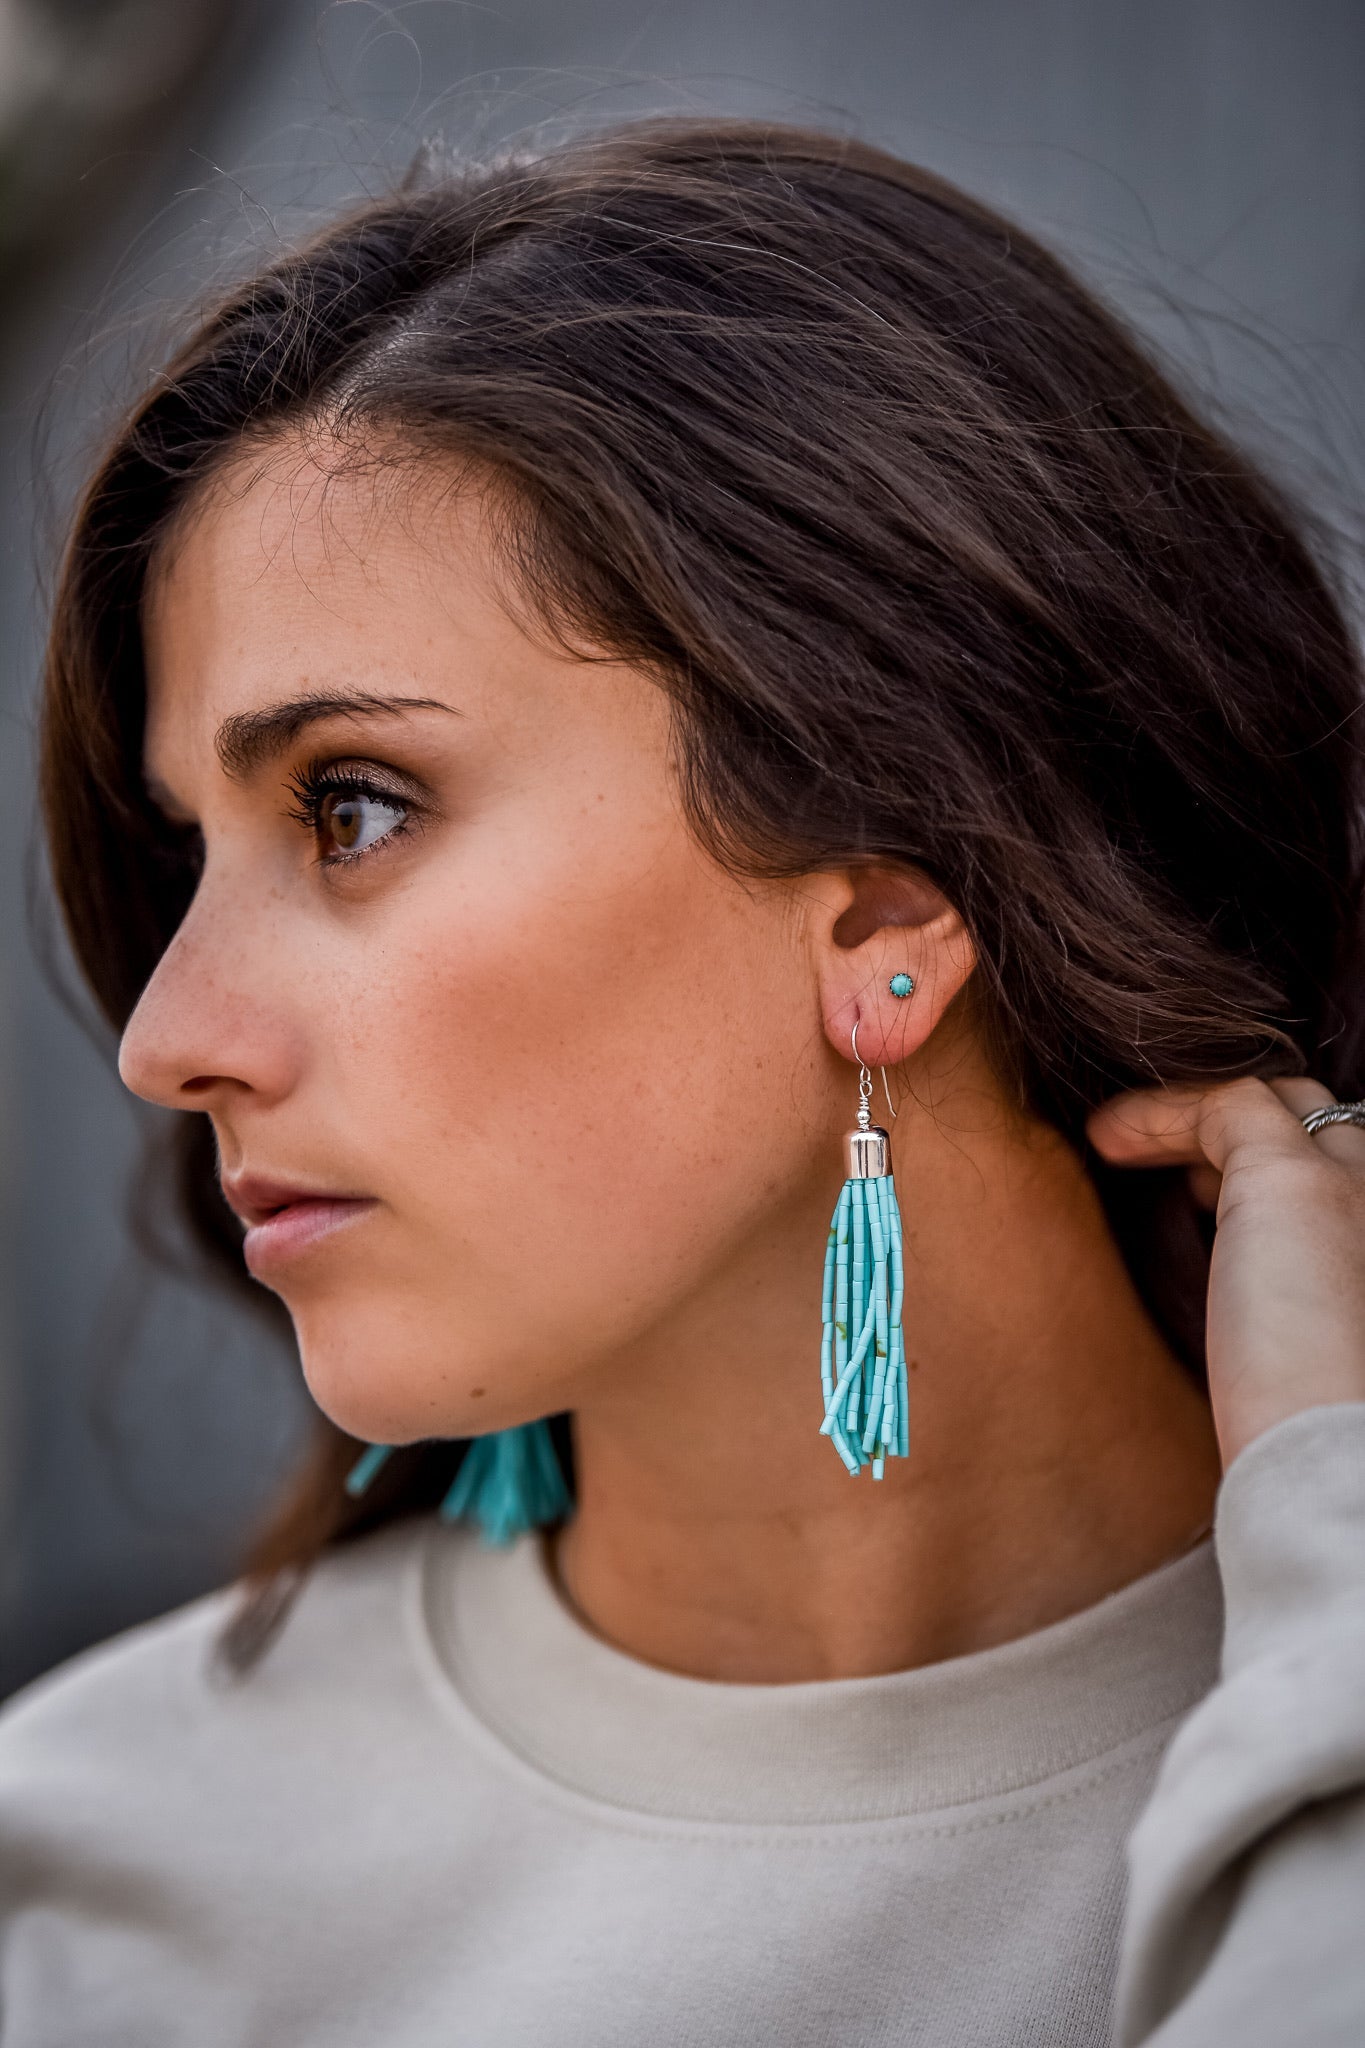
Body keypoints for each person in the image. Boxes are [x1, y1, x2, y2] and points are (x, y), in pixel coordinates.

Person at [1, 118, 1363, 2047]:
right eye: (186, 854)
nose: (162, 1037)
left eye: (353, 808)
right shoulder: (89, 1888)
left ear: (884, 922)